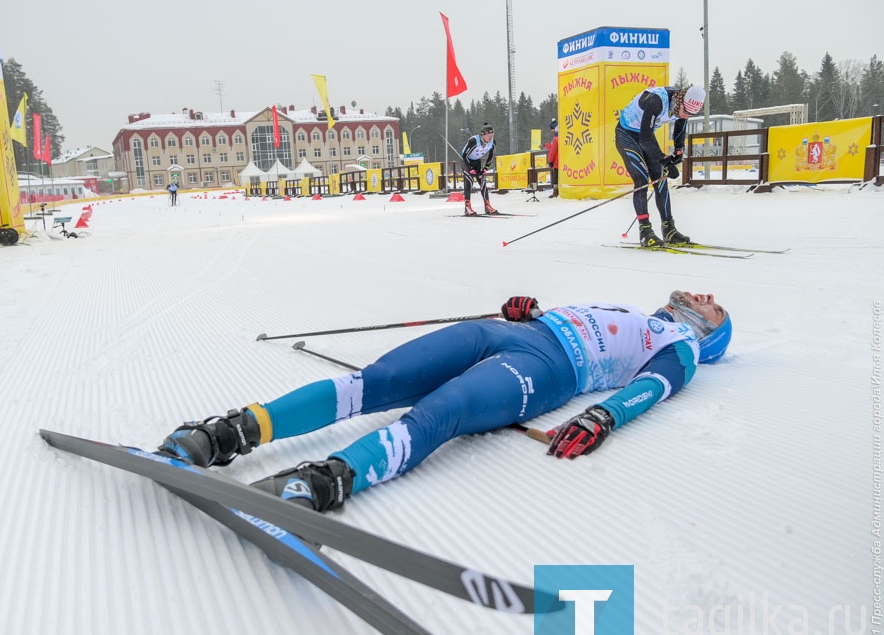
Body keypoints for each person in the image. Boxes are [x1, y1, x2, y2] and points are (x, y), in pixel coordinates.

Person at [159, 290, 732, 513]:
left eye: (714, 309)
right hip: (517, 334)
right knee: (376, 380)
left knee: (444, 410)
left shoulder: (681, 347)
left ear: (709, 335)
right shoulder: (637, 313)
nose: (704, 298)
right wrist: (529, 310)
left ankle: (326, 479)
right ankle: (228, 434)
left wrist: (604, 415)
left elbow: (651, 388)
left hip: (549, 369)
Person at [615, 84, 706, 247]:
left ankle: (669, 229)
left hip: (645, 136)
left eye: (691, 114)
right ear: (680, 100)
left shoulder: (682, 107)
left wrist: (678, 152)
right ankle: (645, 231)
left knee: (661, 179)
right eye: (685, 111)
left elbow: (679, 129)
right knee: (642, 180)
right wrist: (664, 159)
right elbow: (644, 139)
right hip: (627, 135)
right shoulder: (656, 101)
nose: (686, 116)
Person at [460, 123, 498, 216]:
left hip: (477, 161)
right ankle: (467, 207)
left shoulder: (492, 142)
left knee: (482, 180)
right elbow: (465, 155)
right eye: (489, 135)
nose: (490, 138)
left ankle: (487, 205)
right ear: (483, 134)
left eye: (492, 135)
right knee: (469, 180)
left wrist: (486, 168)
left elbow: (491, 156)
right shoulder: (473, 141)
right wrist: (470, 168)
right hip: (466, 161)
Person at [544, 120, 559, 198]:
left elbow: (553, 151)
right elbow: (552, 147)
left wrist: (550, 161)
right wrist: (546, 145)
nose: (551, 131)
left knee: (555, 178)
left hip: (556, 162)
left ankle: (555, 192)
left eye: (552, 129)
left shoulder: (555, 139)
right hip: (562, 162)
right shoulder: (562, 138)